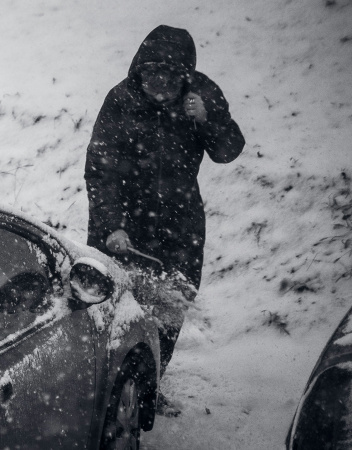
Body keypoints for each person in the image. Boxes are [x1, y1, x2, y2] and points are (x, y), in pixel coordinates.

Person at [84, 24, 245, 410]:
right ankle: (97, 386)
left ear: (183, 77)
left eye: (168, 76)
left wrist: (208, 119)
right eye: (151, 74)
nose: (158, 84)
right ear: (139, 71)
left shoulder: (201, 94)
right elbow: (100, 168)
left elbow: (228, 151)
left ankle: (147, 389)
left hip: (179, 224)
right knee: (110, 308)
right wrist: (111, 225)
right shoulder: (121, 99)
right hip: (124, 220)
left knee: (168, 310)